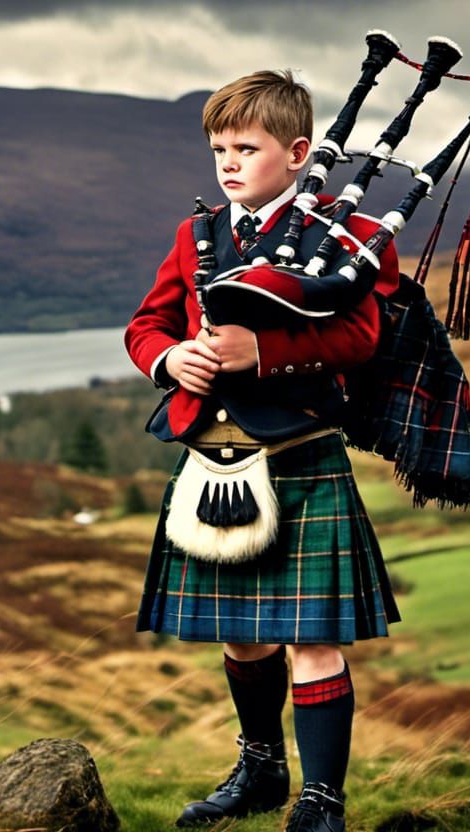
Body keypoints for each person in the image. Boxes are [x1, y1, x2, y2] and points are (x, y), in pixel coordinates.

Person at [124, 70, 402, 832]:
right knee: (244, 635)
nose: (229, 162)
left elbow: (361, 336)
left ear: (298, 151)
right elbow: (145, 325)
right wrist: (169, 358)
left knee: (313, 640)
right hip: (214, 458)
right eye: (219, 148)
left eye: (246, 146)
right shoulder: (197, 234)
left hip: (302, 457)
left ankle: (322, 804)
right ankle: (261, 770)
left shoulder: (343, 236)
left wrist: (263, 353)